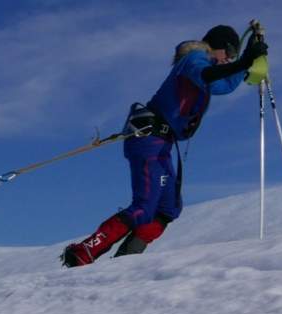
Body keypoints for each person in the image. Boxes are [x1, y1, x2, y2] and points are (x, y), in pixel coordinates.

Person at [62, 25, 268, 267]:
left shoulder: (208, 67)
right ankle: (81, 254)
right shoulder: (194, 58)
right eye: (230, 53)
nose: (229, 59)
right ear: (220, 46)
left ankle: (124, 264)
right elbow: (206, 76)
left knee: (167, 209)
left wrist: (247, 66)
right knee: (144, 208)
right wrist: (243, 61)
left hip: (161, 142)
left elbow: (222, 85)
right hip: (148, 139)